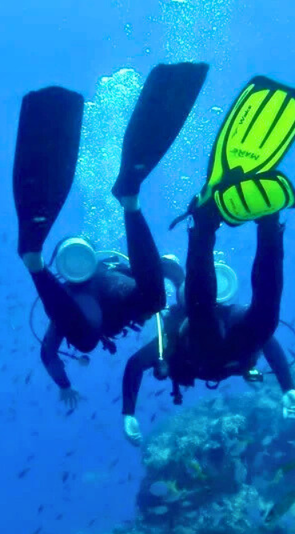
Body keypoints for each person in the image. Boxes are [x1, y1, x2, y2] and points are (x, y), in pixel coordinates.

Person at [120, 75, 295, 445]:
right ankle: (258, 223)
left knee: (251, 318)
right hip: (212, 343)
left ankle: (215, 224)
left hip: (218, 343)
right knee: (246, 318)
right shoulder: (176, 334)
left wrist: (289, 388)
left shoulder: (218, 317)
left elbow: (269, 341)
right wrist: (288, 388)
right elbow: (135, 365)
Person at [13, 62, 209, 406]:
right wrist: (184, 291)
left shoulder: (74, 302)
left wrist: (64, 384)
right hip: (103, 290)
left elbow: (49, 353)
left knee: (89, 336)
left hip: (91, 295)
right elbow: (170, 268)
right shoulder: (92, 287)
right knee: (147, 303)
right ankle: (129, 201)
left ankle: (36, 263)